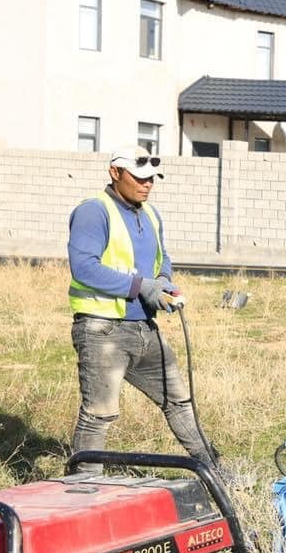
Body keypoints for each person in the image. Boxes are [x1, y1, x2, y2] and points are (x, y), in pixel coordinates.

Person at [67, 147, 215, 471]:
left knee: (179, 401)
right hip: (102, 331)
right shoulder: (94, 211)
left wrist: (162, 282)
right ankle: (82, 490)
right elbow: (84, 268)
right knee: (99, 415)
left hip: (144, 329)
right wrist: (141, 287)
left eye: (151, 179)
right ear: (115, 173)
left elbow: (163, 259)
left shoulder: (150, 214)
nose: (147, 185)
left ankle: (215, 470)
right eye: (139, 178)